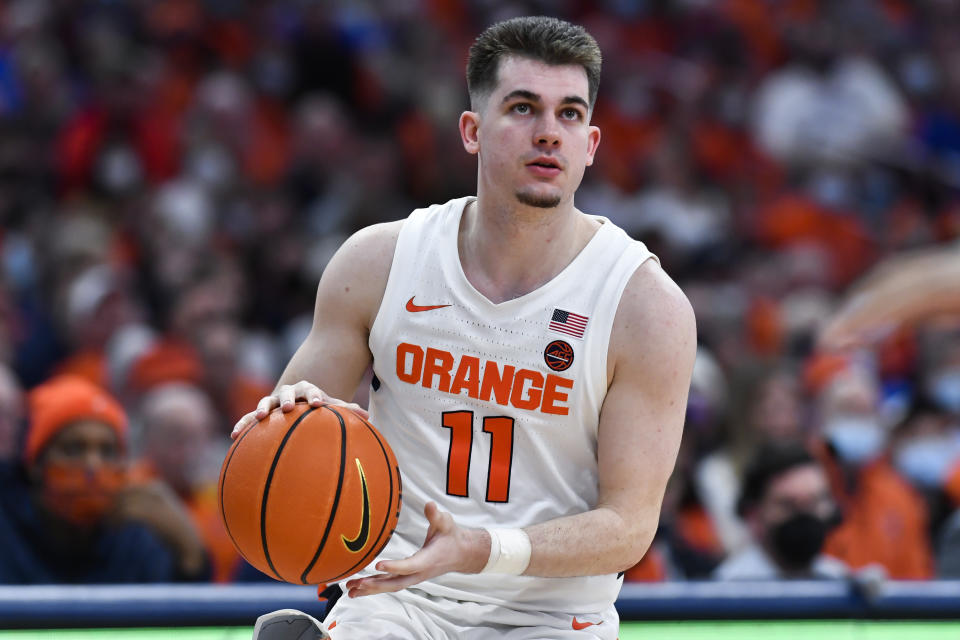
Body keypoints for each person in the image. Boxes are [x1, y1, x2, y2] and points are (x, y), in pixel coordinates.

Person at [233, 15, 696, 640]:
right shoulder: (379, 262)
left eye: (568, 114)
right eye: (524, 109)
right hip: (396, 596)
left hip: (554, 615)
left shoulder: (644, 305)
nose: (548, 134)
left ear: (590, 144)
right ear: (473, 132)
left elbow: (629, 527)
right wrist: (287, 415)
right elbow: (285, 448)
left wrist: (481, 548)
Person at [0, 375, 209, 583]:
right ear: (35, 464)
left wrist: (190, 552)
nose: (92, 466)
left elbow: (185, 610)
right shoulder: (7, 532)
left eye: (107, 452)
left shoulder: (135, 535)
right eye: (73, 449)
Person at [713, 444, 847, 580]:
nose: (804, 515)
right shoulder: (728, 589)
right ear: (753, 514)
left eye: (814, 502)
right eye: (788, 505)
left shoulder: (840, 580)